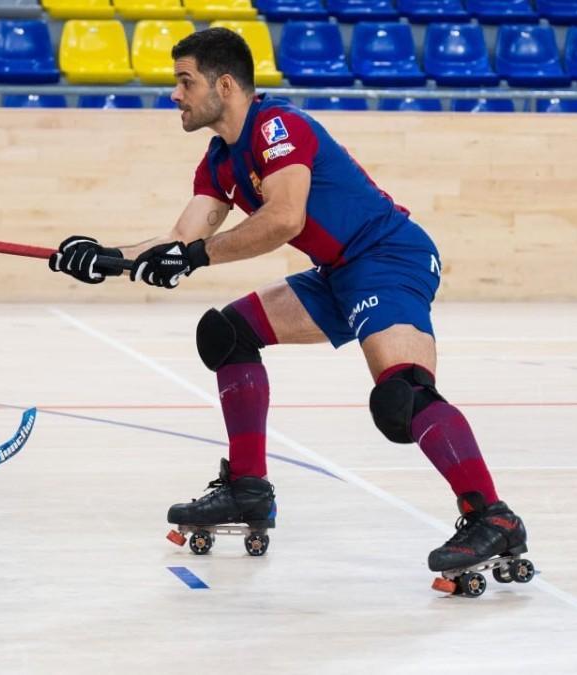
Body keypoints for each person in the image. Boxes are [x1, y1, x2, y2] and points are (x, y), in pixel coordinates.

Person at [48, 28, 528, 583]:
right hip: (336, 272)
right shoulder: (220, 160)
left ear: (224, 85)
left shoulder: (278, 127)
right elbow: (180, 241)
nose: (175, 95)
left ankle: (493, 516)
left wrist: (195, 257)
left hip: (387, 256)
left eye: (185, 81)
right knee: (227, 333)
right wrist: (103, 257)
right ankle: (248, 490)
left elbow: (284, 219)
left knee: (402, 394)